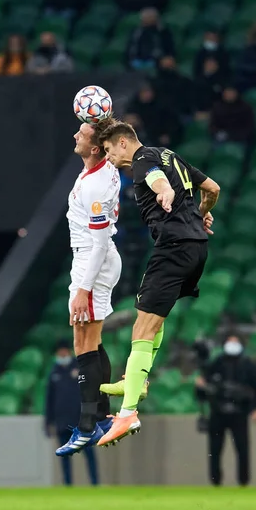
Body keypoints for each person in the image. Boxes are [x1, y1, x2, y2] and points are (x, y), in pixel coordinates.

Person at [97, 120, 220, 446]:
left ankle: (127, 413)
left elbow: (157, 180)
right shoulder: (170, 155)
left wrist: (163, 192)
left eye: (108, 151)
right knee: (152, 317)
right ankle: (137, 378)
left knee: (141, 330)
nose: (108, 158)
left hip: (174, 248)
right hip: (196, 249)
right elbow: (213, 188)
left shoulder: (142, 162)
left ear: (123, 143)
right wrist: (203, 213)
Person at [55, 117, 122, 456]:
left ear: (94, 147)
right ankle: (102, 415)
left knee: (85, 339)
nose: (75, 134)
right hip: (89, 259)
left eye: (80, 132)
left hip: (93, 260)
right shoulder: (99, 171)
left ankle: (88, 424)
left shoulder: (96, 185)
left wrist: (83, 288)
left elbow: (97, 243)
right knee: (86, 339)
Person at [196, 334, 256, 486]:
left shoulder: (248, 365)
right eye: (230, 342)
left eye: (235, 342)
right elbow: (204, 388)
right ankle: (215, 480)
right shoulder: (216, 363)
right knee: (215, 448)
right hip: (218, 411)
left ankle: (243, 480)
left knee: (242, 447)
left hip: (240, 412)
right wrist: (201, 386)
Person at [45, 340, 99, 485]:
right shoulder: (54, 372)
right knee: (65, 456)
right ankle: (68, 484)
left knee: (89, 454)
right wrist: (48, 422)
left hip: (81, 421)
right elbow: (49, 400)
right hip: (62, 422)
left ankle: (95, 483)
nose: (62, 354)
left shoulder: (80, 369)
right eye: (59, 352)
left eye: (64, 351)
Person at [126, 83, 182, 147]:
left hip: (163, 137)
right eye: (144, 92)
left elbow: (171, 122)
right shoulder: (134, 107)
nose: (147, 95)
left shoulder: (161, 106)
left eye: (148, 91)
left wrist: (168, 135)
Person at [152, 55, 196, 123]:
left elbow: (191, 99)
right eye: (166, 64)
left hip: (182, 115)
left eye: (171, 64)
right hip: (161, 116)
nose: (169, 66)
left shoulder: (185, 81)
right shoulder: (155, 83)